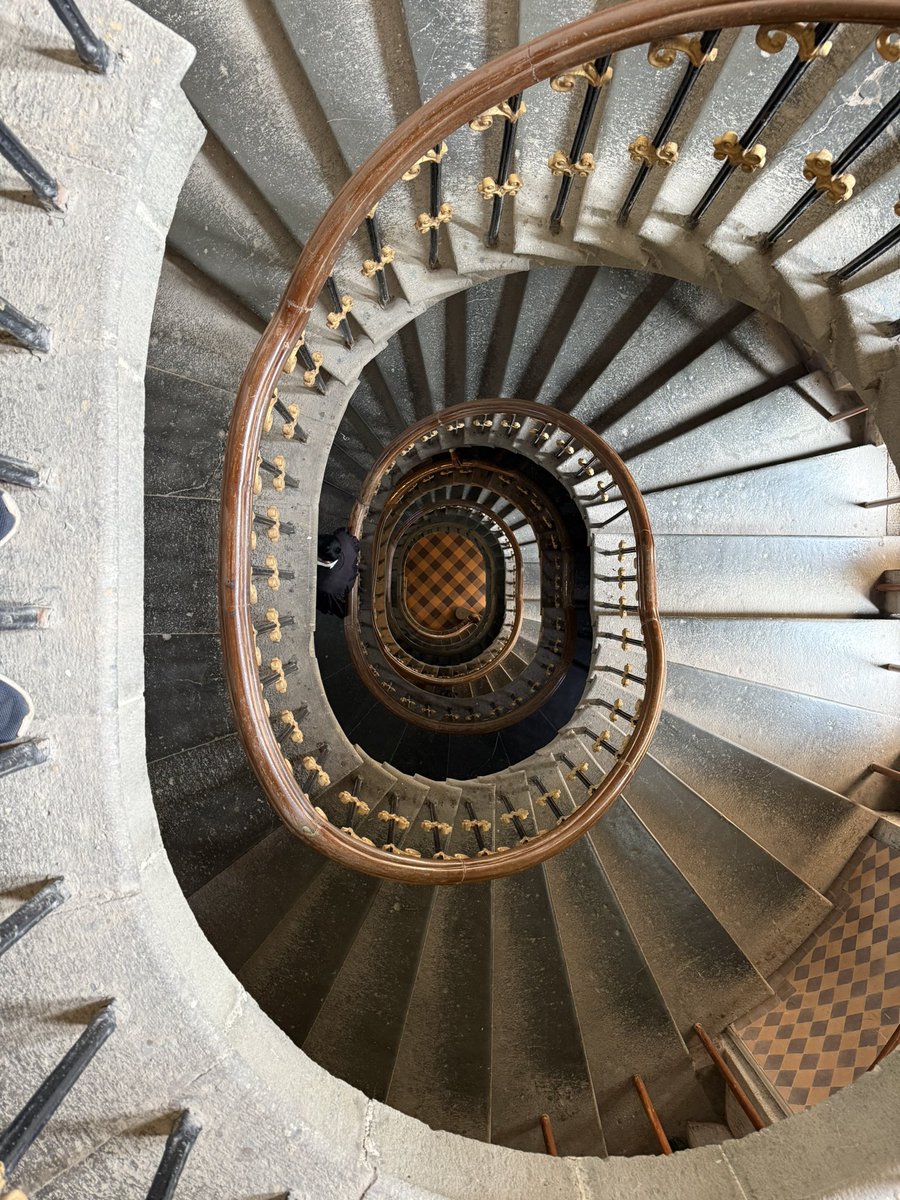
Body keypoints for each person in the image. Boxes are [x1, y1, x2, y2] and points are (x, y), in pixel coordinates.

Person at [315, 528, 360, 618]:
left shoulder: (327, 588)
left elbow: (333, 607)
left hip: (340, 586)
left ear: (326, 561)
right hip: (349, 568)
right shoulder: (343, 538)